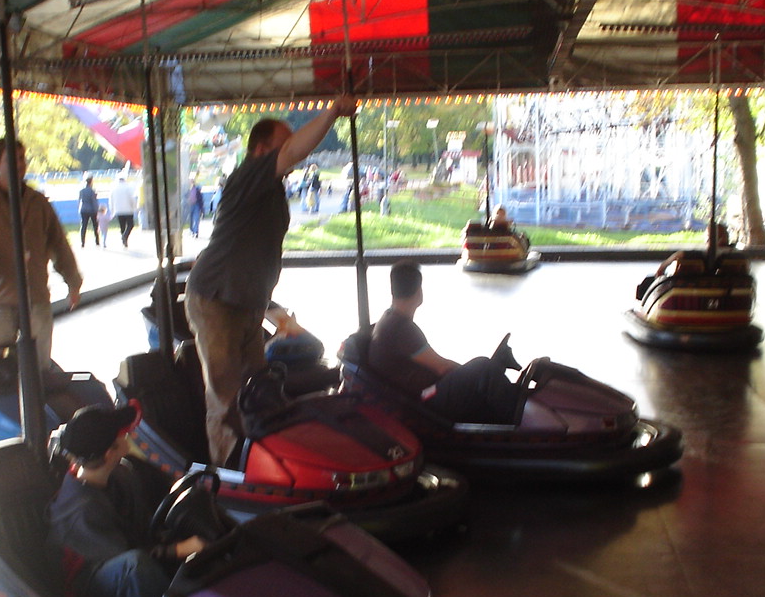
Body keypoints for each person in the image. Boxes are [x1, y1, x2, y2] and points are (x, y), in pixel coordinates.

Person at [184, 94, 356, 465]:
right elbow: (294, 151)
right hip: (216, 300)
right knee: (226, 396)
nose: (293, 152)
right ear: (261, 150)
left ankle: (262, 456)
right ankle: (227, 471)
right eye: (283, 144)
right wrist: (331, 112)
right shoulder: (249, 174)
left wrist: (271, 308)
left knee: (258, 387)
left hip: (244, 302)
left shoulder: (271, 187)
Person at [47, 404, 207, 597]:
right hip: (89, 582)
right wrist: (178, 549)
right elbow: (125, 554)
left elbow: (145, 526)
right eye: (122, 435)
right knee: (135, 568)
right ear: (110, 452)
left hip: (119, 552)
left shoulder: (120, 474)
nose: (128, 436)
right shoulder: (81, 511)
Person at [0, 138, 83, 367]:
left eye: (22, 159)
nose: (19, 165)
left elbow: (59, 244)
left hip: (36, 297)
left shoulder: (38, 203)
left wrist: (73, 281)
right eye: (12, 160)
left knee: (40, 363)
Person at [368, 260, 527, 424]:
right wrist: (473, 374)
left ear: (393, 290)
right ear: (419, 292)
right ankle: (520, 422)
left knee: (484, 370)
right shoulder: (402, 328)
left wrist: (471, 375)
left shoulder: (389, 319)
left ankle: (508, 397)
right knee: (483, 367)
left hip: (420, 394)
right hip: (424, 399)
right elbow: (442, 367)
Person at [109, 173, 137, 247]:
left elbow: (111, 200)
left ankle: (124, 241)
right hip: (128, 210)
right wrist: (134, 207)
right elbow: (132, 198)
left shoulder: (114, 188)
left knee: (122, 226)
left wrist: (112, 210)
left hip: (118, 210)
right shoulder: (128, 187)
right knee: (130, 225)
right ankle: (125, 236)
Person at [78, 175, 100, 247]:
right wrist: (97, 210)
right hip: (92, 210)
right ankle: (97, 241)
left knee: (83, 226)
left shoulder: (81, 191)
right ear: (91, 182)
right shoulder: (92, 191)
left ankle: (82, 242)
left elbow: (79, 200)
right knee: (95, 226)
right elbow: (94, 202)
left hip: (83, 209)